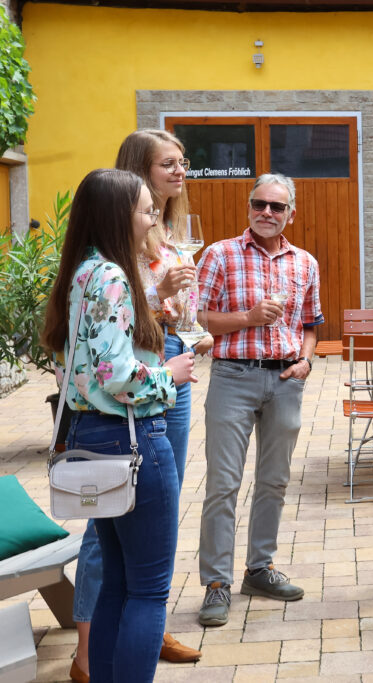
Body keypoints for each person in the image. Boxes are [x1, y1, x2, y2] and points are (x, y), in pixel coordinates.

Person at [41, 168, 197, 682]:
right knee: (148, 591)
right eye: (147, 211)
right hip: (132, 439)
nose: (154, 220)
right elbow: (118, 374)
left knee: (117, 584)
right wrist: (169, 376)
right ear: (117, 216)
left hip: (90, 434)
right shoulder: (111, 275)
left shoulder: (83, 270)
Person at [194, 173, 322, 626]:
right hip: (233, 377)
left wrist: (305, 361)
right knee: (223, 483)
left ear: (291, 214)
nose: (266, 212)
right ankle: (216, 583)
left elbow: (310, 323)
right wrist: (247, 317)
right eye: (259, 204)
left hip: (285, 380)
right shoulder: (220, 254)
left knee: (274, 480)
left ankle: (259, 570)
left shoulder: (305, 262)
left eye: (276, 206)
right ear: (249, 207)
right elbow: (199, 317)